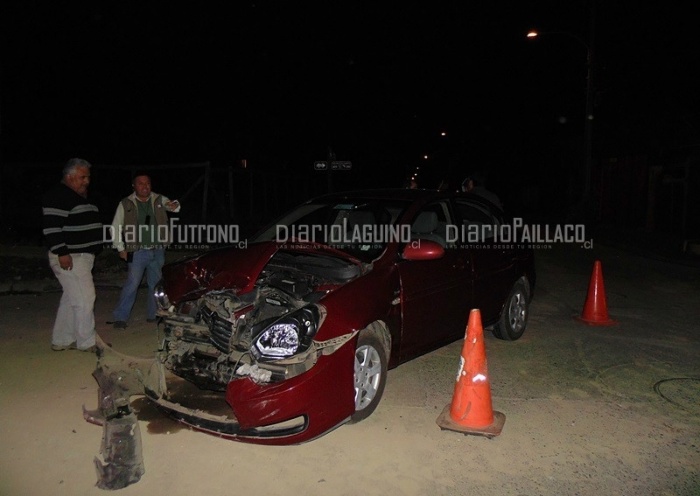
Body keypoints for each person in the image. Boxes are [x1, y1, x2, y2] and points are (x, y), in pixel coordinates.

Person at [42, 158, 103, 352]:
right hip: (71, 257)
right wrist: (62, 252)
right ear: (69, 177)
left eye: (88, 177)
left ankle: (61, 340)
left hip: (82, 256)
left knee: (71, 299)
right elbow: (52, 228)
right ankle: (87, 342)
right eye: (82, 177)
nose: (86, 181)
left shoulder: (79, 195)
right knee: (86, 298)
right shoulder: (58, 195)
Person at [110, 172, 180, 329]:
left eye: (147, 183)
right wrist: (121, 247)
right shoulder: (126, 203)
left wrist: (174, 205)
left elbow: (174, 207)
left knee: (155, 285)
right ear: (134, 186)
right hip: (136, 251)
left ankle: (153, 314)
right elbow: (115, 227)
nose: (145, 186)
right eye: (140, 183)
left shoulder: (159, 199)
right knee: (132, 283)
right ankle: (120, 317)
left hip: (157, 249)